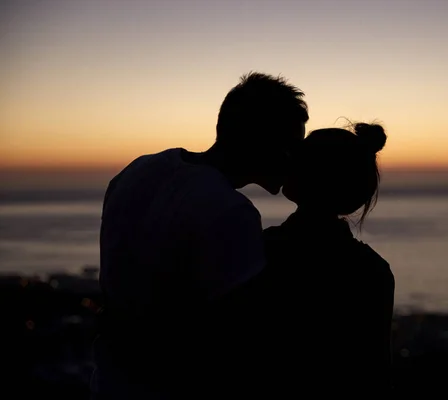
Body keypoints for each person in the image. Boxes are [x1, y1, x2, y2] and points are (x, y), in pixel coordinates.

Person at [91, 72, 308, 399]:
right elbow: (237, 339)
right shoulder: (232, 212)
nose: (296, 159)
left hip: (110, 382)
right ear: (262, 140)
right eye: (292, 146)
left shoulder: (136, 172)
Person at [258, 122, 395, 394]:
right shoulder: (373, 270)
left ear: (311, 175)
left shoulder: (262, 249)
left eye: (297, 157)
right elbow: (373, 369)